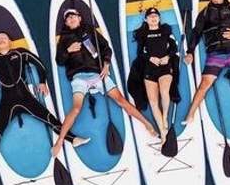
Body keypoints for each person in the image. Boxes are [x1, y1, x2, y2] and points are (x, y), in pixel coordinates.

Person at [0, 31, 85, 175]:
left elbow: (40, 65)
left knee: (49, 118)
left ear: (10, 42)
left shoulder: (21, 53)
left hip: (26, 99)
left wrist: (42, 82)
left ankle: (73, 139)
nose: (1, 39)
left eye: (4, 37)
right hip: (7, 103)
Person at [51, 8, 157, 156]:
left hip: (97, 74)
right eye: (67, 18)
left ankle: (147, 124)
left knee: (121, 100)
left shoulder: (90, 30)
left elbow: (106, 48)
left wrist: (106, 64)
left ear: (79, 18)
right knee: (76, 109)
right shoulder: (64, 38)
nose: (70, 18)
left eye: (73, 15)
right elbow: (59, 61)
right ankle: (59, 141)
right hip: (79, 77)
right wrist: (67, 50)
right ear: (67, 23)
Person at [130, 7, 179, 136]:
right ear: (146, 19)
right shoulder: (143, 34)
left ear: (159, 18)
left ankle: (164, 118)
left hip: (164, 66)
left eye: (155, 15)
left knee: (164, 92)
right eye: (150, 16)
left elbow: (174, 47)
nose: (153, 18)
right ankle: (162, 131)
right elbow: (140, 53)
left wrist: (167, 57)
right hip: (149, 68)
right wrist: (150, 58)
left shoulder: (165, 30)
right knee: (153, 101)